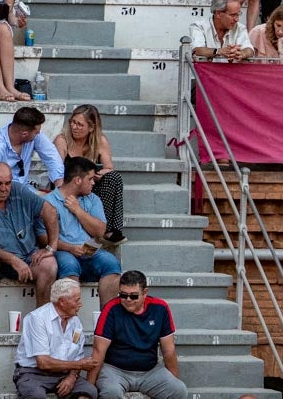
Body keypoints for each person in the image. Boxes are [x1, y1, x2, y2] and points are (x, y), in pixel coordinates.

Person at [0, 162, 60, 330]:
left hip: (27, 255)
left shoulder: (19, 191)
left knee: (49, 264)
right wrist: (13, 259)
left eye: (7, 183)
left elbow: (50, 211)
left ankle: (40, 322)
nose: (4, 188)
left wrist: (51, 247)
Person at [88, 270, 186, 399]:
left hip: (151, 371)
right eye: (123, 295)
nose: (128, 300)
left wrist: (174, 379)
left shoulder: (160, 308)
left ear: (145, 293)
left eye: (133, 296)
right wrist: (89, 388)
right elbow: (98, 350)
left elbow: (169, 350)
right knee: (111, 392)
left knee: (179, 391)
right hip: (115, 370)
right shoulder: (111, 309)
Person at [45, 157, 121, 307]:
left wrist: (78, 210)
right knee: (69, 264)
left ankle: (106, 320)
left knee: (111, 263)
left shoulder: (92, 199)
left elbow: (100, 231)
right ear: (78, 180)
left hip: (88, 249)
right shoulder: (49, 201)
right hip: (63, 251)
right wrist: (70, 248)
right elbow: (42, 238)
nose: (94, 182)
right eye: (90, 179)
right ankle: (72, 319)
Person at [13, 278, 99, 399]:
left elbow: (77, 356)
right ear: (62, 301)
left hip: (64, 374)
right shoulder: (38, 318)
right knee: (36, 396)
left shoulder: (76, 321)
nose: (81, 304)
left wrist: (72, 377)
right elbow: (43, 362)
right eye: (77, 300)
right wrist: (78, 365)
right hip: (32, 373)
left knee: (89, 391)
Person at [53, 104, 125, 244]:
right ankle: (93, 232)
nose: (74, 127)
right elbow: (57, 171)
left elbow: (109, 167)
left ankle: (108, 230)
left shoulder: (100, 141)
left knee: (113, 178)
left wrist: (100, 173)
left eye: (80, 125)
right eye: (72, 122)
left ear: (91, 128)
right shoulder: (62, 140)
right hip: (69, 185)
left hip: (90, 186)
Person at [0, 106, 65, 191]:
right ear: (24, 134)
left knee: (51, 204)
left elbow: (52, 158)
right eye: (36, 132)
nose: (39, 134)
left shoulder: (34, 135)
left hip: (24, 190)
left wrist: (60, 188)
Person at [189, 0, 254, 60]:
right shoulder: (199, 26)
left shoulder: (240, 28)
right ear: (218, 14)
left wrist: (241, 54)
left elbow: (249, 50)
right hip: (205, 70)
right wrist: (218, 51)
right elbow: (196, 50)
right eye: (233, 15)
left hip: (231, 70)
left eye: (238, 14)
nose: (236, 19)